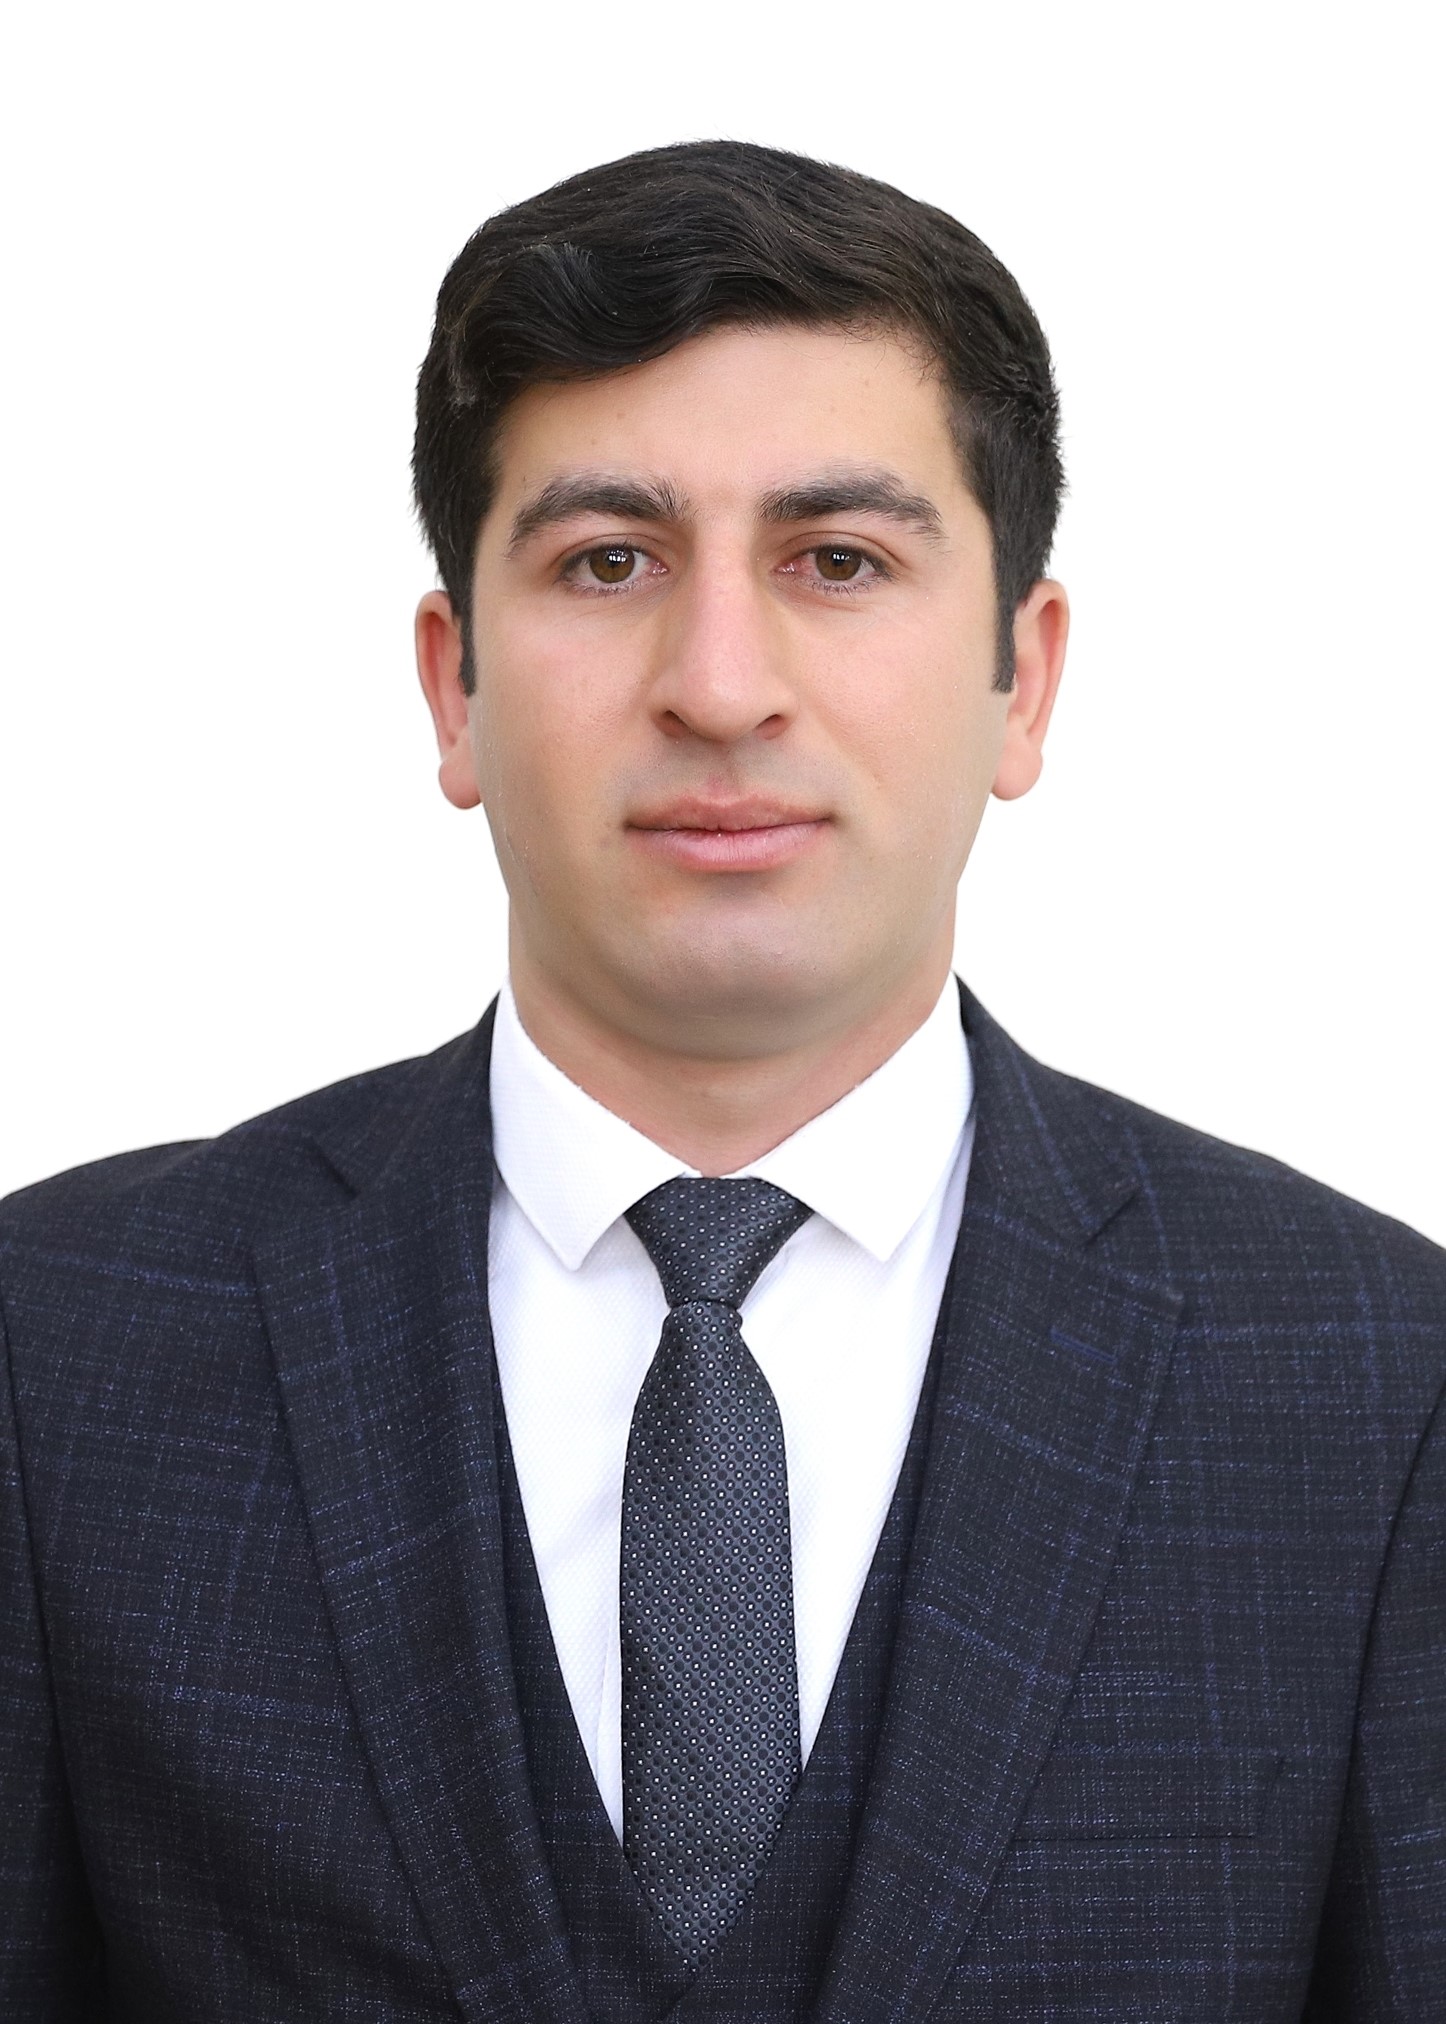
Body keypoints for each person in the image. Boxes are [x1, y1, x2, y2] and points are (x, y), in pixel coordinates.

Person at [1, 138, 1442, 2023]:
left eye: (837, 561)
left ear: (1021, 680)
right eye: (607, 562)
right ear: (453, 687)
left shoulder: (1374, 1376)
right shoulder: (59, 1344)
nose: (719, 683)